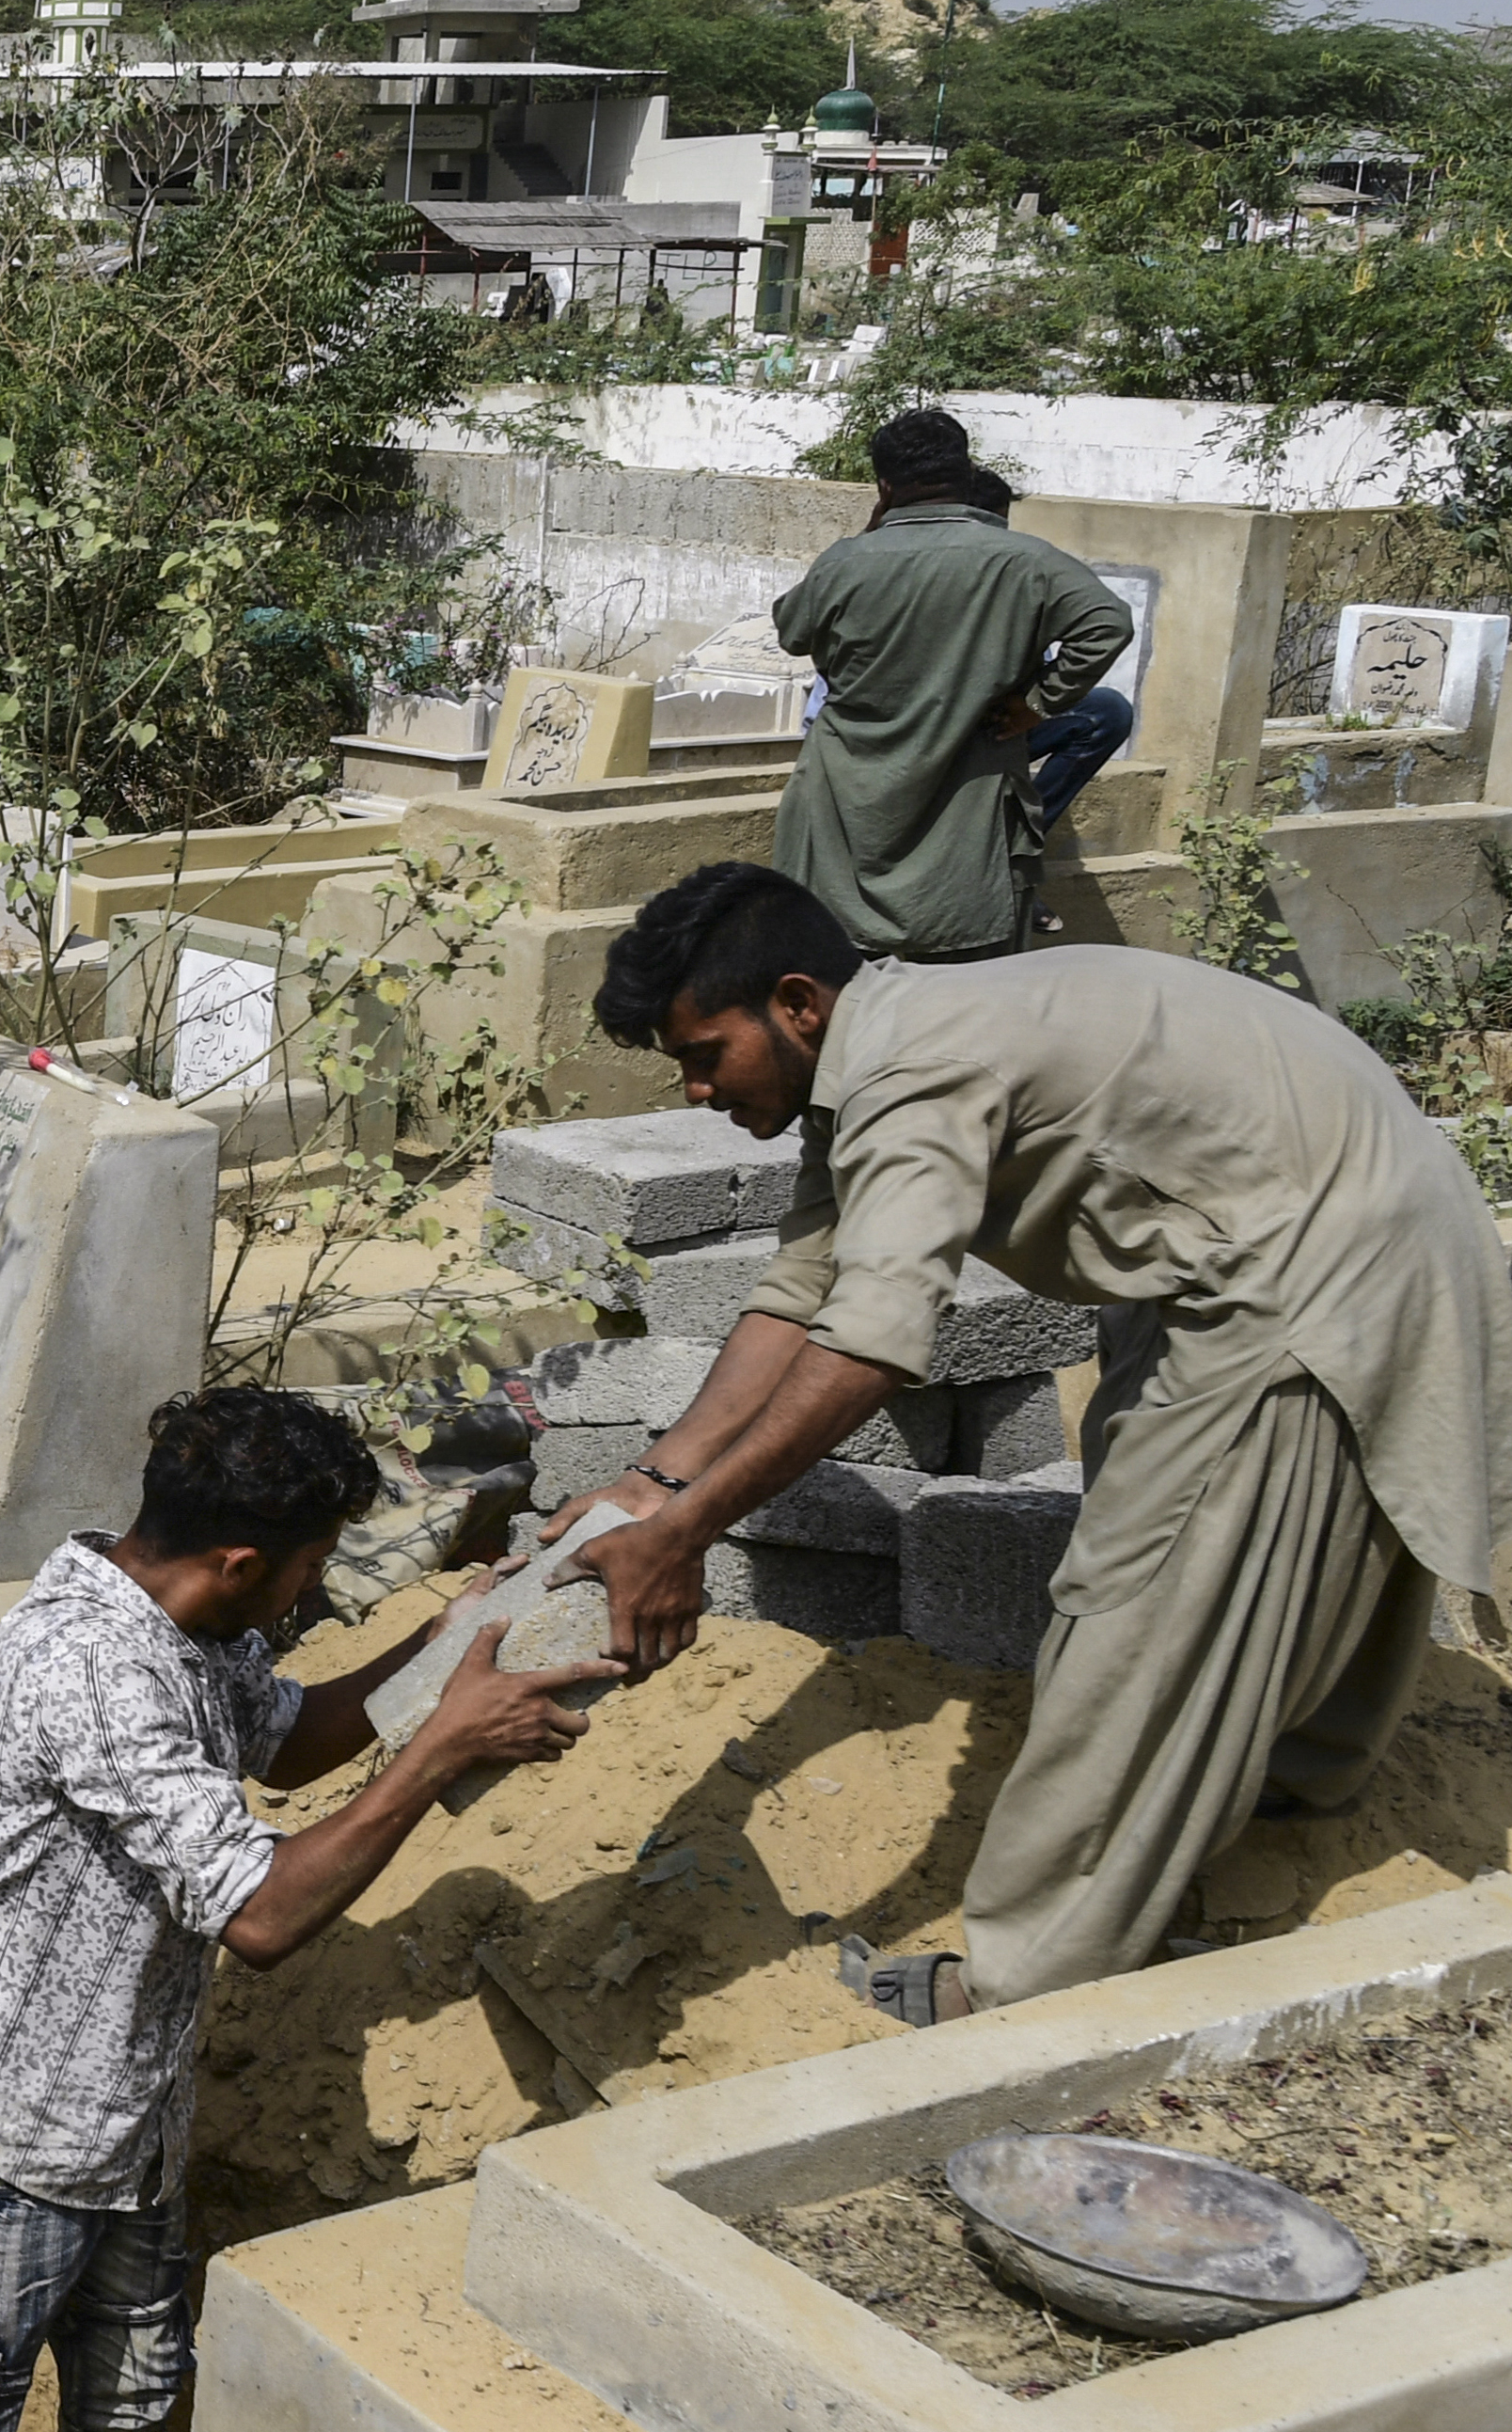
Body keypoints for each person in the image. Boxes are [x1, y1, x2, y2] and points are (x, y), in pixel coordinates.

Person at [553, 863, 1512, 2024]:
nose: (697, 1087)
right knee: (1253, 1531)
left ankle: (1023, 1985)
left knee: (1138, 1609)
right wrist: (654, 1480)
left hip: (1304, 1264)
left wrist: (690, 1529)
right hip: (1295, 1225)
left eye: (705, 1052)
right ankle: (1277, 1804)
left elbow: (873, 1341)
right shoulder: (877, 1047)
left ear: (796, 1003)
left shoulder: (910, 1067)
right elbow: (802, 1287)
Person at [0, 1389, 609, 2432]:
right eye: (311, 1564)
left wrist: (456, 1634)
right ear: (240, 1561)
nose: (312, 1588)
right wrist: (443, 1748)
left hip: (126, 2133)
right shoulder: (89, 1661)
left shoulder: (184, 1623)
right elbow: (265, 1914)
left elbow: (288, 1734)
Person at [769, 409, 1133, 959]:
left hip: (847, 823)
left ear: (885, 486)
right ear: (965, 474)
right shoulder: (1026, 560)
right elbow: (1108, 624)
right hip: (966, 835)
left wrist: (867, 538)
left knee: (846, 1004)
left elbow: (792, 629)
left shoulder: (847, 562)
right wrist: (1038, 704)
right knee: (966, 1005)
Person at [955, 466, 1134, 834]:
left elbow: (1104, 627)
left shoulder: (1015, 573)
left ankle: (1018, 834)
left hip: (995, 728)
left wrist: (1036, 704)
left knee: (1107, 711)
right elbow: (1111, 624)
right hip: (931, 736)